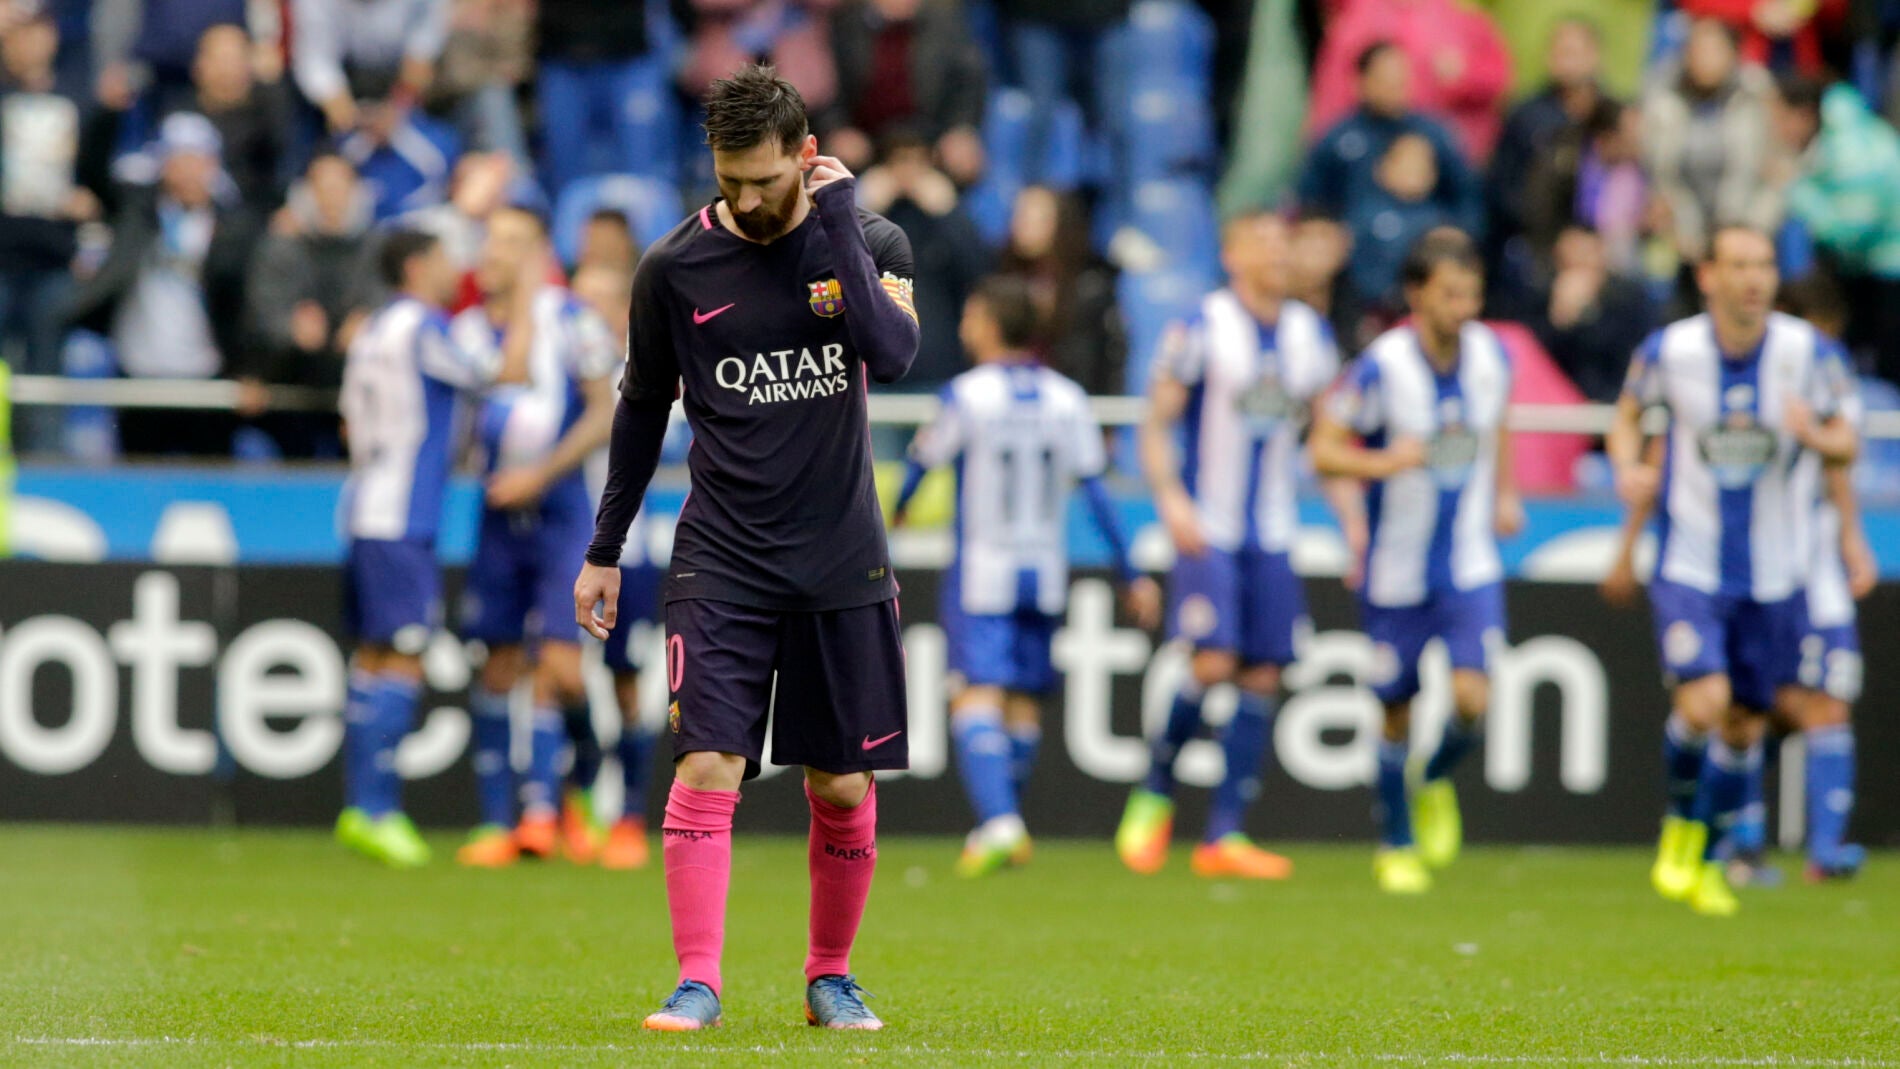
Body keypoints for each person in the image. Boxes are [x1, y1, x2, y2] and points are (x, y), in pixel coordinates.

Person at [572, 64, 918, 1032]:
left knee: (840, 781)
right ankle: (697, 979)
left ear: (805, 157)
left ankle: (830, 973)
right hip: (722, 556)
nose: (746, 199)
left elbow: (890, 354)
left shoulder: (870, 240)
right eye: (730, 182)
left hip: (842, 555)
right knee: (706, 765)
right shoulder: (673, 269)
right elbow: (642, 407)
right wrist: (606, 544)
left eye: (765, 180)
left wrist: (839, 225)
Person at [1604, 224, 1863, 917]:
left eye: (1764, 265)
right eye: (1739, 264)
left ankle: (1705, 847)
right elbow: (1626, 415)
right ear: (1709, 275)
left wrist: (1817, 436)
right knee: (1704, 702)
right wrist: (1628, 464)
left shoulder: (1808, 353)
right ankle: (1681, 829)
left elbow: (1848, 438)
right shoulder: (1671, 350)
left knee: (1745, 726)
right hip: (1691, 562)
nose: (1753, 278)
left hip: (1775, 576)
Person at [893, 275, 1159, 877]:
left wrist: (895, 520)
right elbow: (1097, 491)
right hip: (1044, 570)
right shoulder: (1068, 398)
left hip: (983, 569)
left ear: (987, 322)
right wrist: (1131, 571)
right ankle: (1002, 819)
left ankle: (1000, 823)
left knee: (975, 692)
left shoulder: (967, 395)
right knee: (1023, 701)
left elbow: (920, 465)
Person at [1116, 211, 1348, 881]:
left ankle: (1225, 834)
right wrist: (1170, 499)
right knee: (1213, 662)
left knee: (1264, 673)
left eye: (1284, 243)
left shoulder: (1310, 335)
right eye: (1264, 243)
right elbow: (1157, 422)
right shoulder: (1201, 325)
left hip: (1274, 527)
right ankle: (1156, 790)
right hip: (1209, 520)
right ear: (1232, 254)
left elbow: (1326, 437)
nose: (1279, 253)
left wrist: (1349, 523)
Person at [1310, 227, 1522, 895]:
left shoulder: (1491, 354)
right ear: (1415, 295)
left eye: (1473, 293)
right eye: (1450, 293)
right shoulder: (1382, 366)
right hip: (1395, 568)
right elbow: (1322, 449)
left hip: (1468, 561)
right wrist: (1381, 460)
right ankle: (1395, 841)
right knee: (1395, 708)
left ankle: (1432, 778)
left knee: (1471, 696)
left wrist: (1507, 490)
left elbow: (1499, 421)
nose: (1464, 307)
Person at [333, 228, 534, 868]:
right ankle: (378, 810)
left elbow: (348, 419)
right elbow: (504, 373)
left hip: (364, 503)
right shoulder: (422, 327)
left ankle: (361, 807)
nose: (458, 269)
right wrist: (528, 302)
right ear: (418, 266)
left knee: (370, 655)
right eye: (446, 258)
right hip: (403, 516)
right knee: (403, 656)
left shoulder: (372, 329)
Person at [451, 205, 621, 869]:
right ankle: (506, 819)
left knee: (558, 666)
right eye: (491, 242)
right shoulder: (466, 332)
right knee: (496, 665)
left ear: (539, 253)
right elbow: (502, 388)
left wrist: (541, 474)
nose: (497, 254)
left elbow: (603, 411)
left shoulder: (574, 320)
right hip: (499, 517)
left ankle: (573, 789)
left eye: (514, 244)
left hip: (560, 514)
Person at [64, 111, 260, 457]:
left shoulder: (235, 228)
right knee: (139, 485)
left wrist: (248, 367)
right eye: (177, 160)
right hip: (140, 372)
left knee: (208, 484)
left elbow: (244, 300)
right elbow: (94, 174)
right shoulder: (137, 214)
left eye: (195, 160)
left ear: (212, 165)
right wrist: (107, 113)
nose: (186, 172)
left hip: (206, 374)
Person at [571, 259, 666, 872]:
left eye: (601, 302)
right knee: (556, 675)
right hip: (565, 542)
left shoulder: (656, 370)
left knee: (626, 682)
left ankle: (629, 815)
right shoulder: (565, 380)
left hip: (634, 551)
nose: (587, 316)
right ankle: (575, 803)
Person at [0, 4, 107, 456]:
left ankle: (44, 462)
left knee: (45, 372)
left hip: (52, 256)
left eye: (38, 34)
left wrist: (89, 201)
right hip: (3, 253)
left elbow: (101, 180)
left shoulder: (80, 98)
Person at [240, 151, 377, 458]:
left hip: (356, 397)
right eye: (323, 190)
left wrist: (371, 324)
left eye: (340, 189)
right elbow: (256, 317)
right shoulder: (279, 248)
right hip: (289, 394)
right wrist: (288, 328)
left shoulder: (376, 249)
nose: (332, 201)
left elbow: (389, 303)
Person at [1770, 72, 1900, 385]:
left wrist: (1794, 189)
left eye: (1777, 119)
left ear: (1802, 116)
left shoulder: (1850, 149)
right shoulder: (1839, 135)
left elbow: (1853, 231)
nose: (1773, 130)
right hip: (1868, 269)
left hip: (1888, 272)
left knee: (1887, 374)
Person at [1299, 42, 1484, 243]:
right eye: (1385, 79)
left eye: (1400, 79)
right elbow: (1311, 199)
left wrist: (1459, 233)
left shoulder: (1434, 134)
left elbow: (1466, 194)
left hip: (1422, 245)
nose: (1394, 88)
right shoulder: (1338, 139)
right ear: (1360, 81)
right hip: (1355, 245)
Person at [1642, 18, 1783, 272]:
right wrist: (1677, 232)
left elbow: (1777, 173)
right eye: (1697, 50)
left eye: (1714, 49)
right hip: (1682, 238)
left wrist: (1751, 234)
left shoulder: (1758, 97)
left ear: (1734, 54)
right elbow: (1657, 176)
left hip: (1746, 234)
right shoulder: (1663, 100)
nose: (1704, 59)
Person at [1305, 0, 1513, 163]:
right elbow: (1332, 92)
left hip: (1437, 156)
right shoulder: (1357, 19)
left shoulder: (1462, 17)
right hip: (1367, 146)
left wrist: (1464, 76)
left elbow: (1499, 78)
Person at [819, 0, 987, 184]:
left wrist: (960, 129)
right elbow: (825, 88)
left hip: (931, 139)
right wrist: (837, 129)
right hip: (868, 140)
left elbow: (969, 85)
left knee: (964, 161)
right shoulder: (845, 24)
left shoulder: (946, 23)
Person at [998, 185, 1127, 396]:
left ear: (1061, 223)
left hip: (1070, 408)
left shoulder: (1091, 287)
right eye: (1018, 215)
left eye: (1035, 218)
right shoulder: (999, 281)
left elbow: (1109, 359)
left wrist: (1106, 424)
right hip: (1010, 408)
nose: (1022, 225)